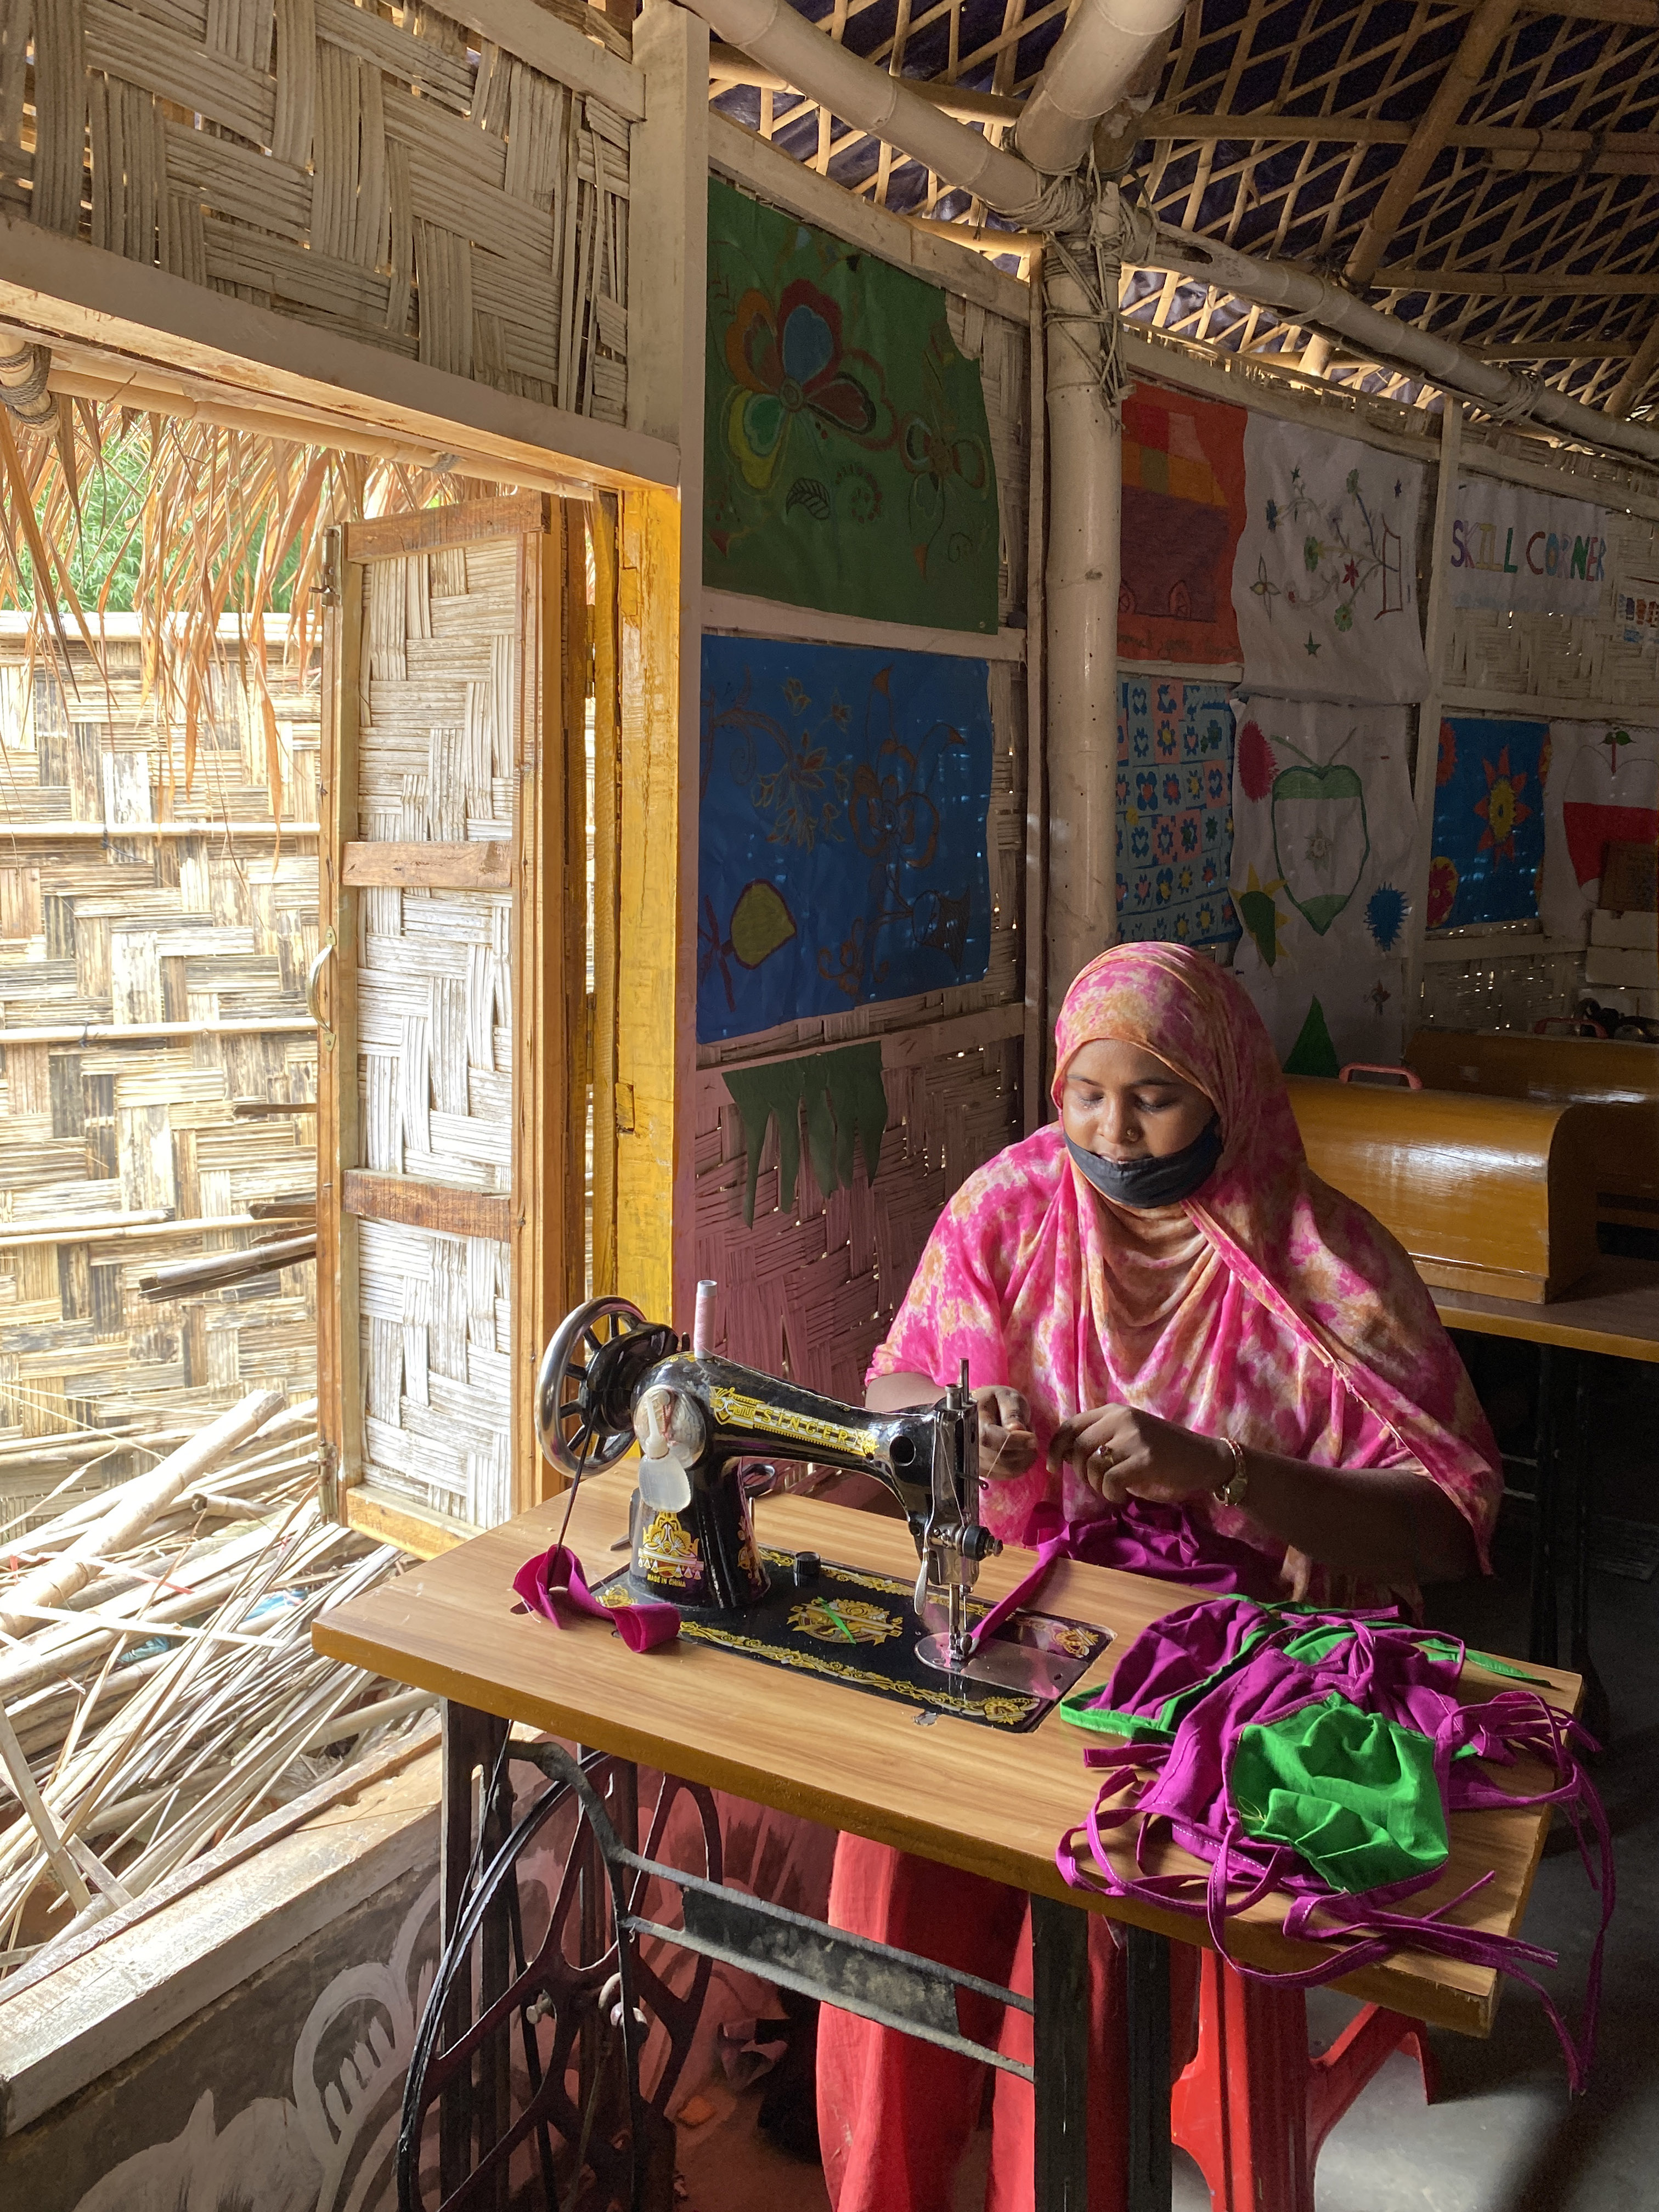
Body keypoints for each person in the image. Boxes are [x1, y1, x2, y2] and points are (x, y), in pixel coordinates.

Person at [817, 941, 1503, 2212]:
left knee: (1084, 1952)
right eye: (1087, 1094)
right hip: (1037, 1612)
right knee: (888, 1877)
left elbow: (1446, 1525)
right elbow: (893, 1384)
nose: (1113, 1131)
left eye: (1154, 1097)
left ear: (1225, 1088)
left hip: (1223, 1661)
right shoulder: (1010, 1208)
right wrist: (972, 1421)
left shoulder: (1323, 1258)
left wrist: (1230, 1472)